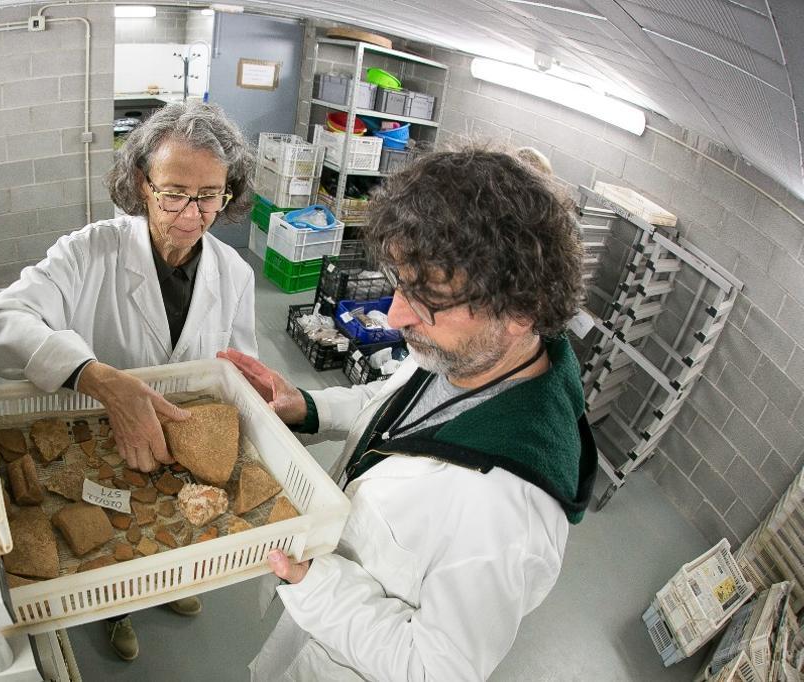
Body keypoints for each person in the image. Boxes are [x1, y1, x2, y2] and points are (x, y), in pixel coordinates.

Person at [230, 148, 596, 681]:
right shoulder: (467, 354)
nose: (396, 314)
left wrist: (317, 585)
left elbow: (435, 668)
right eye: (401, 283)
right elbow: (395, 411)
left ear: (520, 311)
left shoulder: (504, 509)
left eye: (428, 301)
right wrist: (308, 407)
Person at [0, 100, 257, 662]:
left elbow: (238, 366)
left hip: (180, 439)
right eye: (174, 192)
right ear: (141, 182)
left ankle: (168, 587)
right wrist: (96, 376)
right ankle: (117, 612)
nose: (191, 212)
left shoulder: (235, 272)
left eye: (209, 196)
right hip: (100, 434)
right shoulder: (90, 251)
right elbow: (1, 324)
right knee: (108, 529)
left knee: (169, 525)